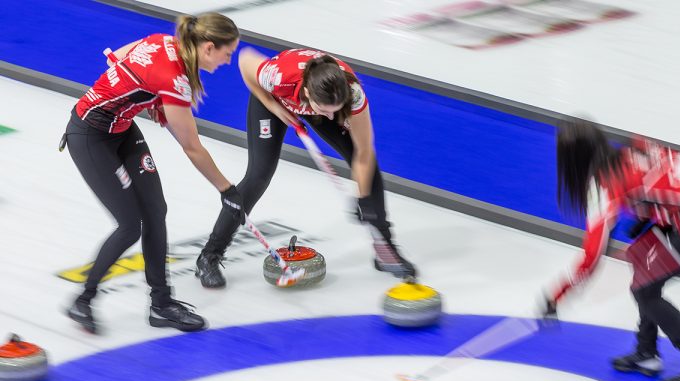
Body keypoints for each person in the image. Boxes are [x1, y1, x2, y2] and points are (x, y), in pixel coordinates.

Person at [63, 13, 244, 334]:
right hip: (89, 137)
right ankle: (83, 299)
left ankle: (162, 305)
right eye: (227, 53)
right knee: (130, 225)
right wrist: (228, 190)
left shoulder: (163, 40)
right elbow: (192, 147)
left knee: (155, 211)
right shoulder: (175, 80)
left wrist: (144, 96)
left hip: (119, 129)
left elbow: (116, 59)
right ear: (208, 48)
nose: (228, 62)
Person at [542, 118, 680, 381]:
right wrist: (644, 222)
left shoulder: (605, 186)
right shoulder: (633, 147)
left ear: (571, 162)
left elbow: (592, 257)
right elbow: (669, 183)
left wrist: (557, 295)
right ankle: (646, 353)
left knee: (646, 290)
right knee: (640, 260)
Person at [195, 47, 417, 288]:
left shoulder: (353, 94)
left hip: (315, 104)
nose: (332, 118)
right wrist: (274, 106)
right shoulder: (279, 77)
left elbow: (364, 151)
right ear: (309, 93)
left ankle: (385, 249)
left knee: (366, 165)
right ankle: (209, 256)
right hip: (277, 99)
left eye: (335, 111)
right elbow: (245, 61)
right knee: (259, 175)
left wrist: (364, 199)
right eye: (325, 111)